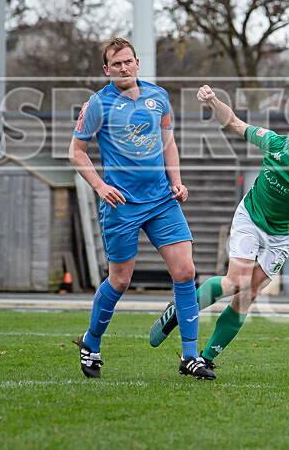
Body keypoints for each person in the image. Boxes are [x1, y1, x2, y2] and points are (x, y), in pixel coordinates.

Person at [148, 87, 289, 379]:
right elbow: (234, 122)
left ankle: (205, 359)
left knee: (247, 294)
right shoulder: (273, 143)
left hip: (282, 236)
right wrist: (212, 102)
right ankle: (181, 308)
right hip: (250, 218)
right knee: (235, 281)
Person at [69, 37, 213, 380]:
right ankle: (91, 342)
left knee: (186, 272)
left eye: (128, 62)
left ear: (137, 64)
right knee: (120, 280)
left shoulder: (158, 97)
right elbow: (76, 151)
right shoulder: (97, 105)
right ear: (107, 70)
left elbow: (168, 143)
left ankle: (190, 356)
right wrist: (101, 187)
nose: (123, 68)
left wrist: (176, 181)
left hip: (162, 200)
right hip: (122, 205)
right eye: (116, 64)